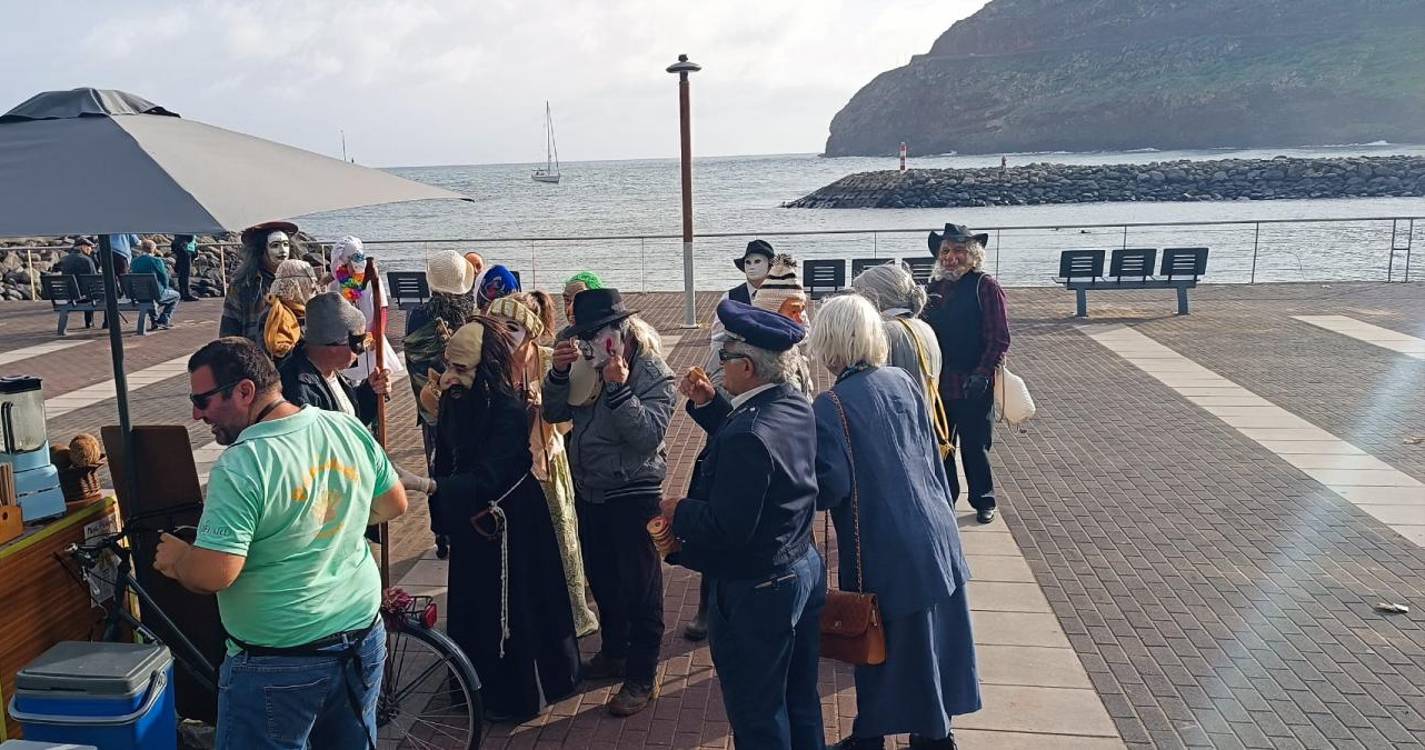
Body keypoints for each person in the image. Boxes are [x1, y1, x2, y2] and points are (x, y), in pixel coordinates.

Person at [156, 337, 408, 748]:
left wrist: (179, 559)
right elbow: (393, 503)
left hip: (280, 661)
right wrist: (325, 527)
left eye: (203, 401)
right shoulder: (341, 425)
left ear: (244, 391)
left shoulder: (244, 462)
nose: (197, 414)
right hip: (360, 638)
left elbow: (214, 574)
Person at [805, 294, 980, 750]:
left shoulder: (832, 405)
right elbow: (932, 450)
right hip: (936, 529)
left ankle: (911, 738)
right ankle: (923, 733)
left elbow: (832, 488)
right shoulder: (902, 380)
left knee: (888, 649)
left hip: (885, 542)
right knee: (934, 645)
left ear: (831, 343)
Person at [664, 299, 826, 749]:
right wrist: (711, 406)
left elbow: (727, 526)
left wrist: (678, 510)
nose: (719, 366)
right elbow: (761, 450)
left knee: (758, 712)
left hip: (758, 587)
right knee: (800, 698)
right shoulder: (793, 403)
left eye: (725, 358)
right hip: (802, 566)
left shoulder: (747, 435)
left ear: (748, 368)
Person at [407, 318, 581, 723]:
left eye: (461, 369)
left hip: (511, 521)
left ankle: (518, 693)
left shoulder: (507, 410)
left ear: (484, 368)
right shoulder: (454, 400)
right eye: (448, 366)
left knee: (516, 607)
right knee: (473, 605)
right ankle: (474, 686)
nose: (449, 377)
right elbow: (450, 456)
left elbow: (490, 475)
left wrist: (427, 485)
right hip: (472, 519)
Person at [542, 288, 675, 717]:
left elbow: (647, 436)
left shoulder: (651, 370)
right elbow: (553, 414)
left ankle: (641, 676)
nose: (589, 343)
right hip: (591, 487)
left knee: (641, 586)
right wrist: (558, 375)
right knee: (602, 579)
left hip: (635, 489)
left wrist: (618, 389)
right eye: (583, 335)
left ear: (621, 330)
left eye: (597, 334)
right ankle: (615, 652)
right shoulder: (582, 361)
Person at [487, 294, 598, 638]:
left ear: (530, 331)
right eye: (497, 326)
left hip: (547, 462)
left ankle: (572, 613)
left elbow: (576, 405)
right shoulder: (488, 362)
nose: (504, 334)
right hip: (505, 470)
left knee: (562, 538)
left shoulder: (550, 360)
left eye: (513, 327)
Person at [922, 223, 1010, 525]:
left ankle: (983, 499)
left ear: (973, 255)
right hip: (938, 382)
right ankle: (946, 499)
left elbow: (999, 337)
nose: (950, 257)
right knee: (941, 445)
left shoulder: (985, 286)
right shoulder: (932, 288)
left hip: (974, 381)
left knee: (975, 445)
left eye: (958, 250)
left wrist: (983, 374)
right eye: (945, 251)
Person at [405, 250, 478, 560]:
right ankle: (470, 521)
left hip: (431, 406)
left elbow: (414, 363)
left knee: (438, 468)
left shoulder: (415, 317)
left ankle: (442, 535)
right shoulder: (472, 316)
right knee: (469, 462)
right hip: (469, 408)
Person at [278, 292, 390, 432]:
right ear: (332, 345)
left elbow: (351, 418)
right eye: (357, 344)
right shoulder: (297, 388)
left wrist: (371, 391)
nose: (361, 351)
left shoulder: (328, 370)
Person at [851, 260, 941, 391]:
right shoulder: (925, 327)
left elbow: (874, 386)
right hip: (926, 409)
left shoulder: (883, 332)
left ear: (873, 298)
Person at [328, 236, 403, 384]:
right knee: (350, 376)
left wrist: (376, 335)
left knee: (374, 375)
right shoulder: (336, 285)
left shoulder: (372, 281)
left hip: (371, 335)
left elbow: (382, 309)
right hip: (348, 340)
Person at [706, 240, 775, 387]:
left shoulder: (784, 296)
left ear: (770, 265)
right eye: (748, 262)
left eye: (757, 261)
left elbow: (804, 333)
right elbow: (716, 338)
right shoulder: (729, 298)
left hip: (776, 368)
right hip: (739, 367)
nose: (752, 266)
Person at [221, 221, 298, 344]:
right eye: (275, 245)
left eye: (285, 244)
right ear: (261, 249)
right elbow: (229, 329)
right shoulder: (243, 284)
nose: (282, 250)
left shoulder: (300, 281)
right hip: (257, 354)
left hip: (295, 355)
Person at [750, 253, 814, 398]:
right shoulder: (742, 356)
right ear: (771, 314)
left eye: (802, 312)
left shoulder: (794, 348)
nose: (800, 320)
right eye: (793, 311)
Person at [259, 260, 320, 364]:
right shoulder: (276, 315)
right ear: (296, 286)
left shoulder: (303, 311)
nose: (315, 289)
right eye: (309, 285)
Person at [130, 239, 181, 330]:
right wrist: (166, 287)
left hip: (139, 294)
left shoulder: (134, 262)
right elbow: (164, 277)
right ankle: (163, 321)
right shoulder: (156, 261)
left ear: (142, 248)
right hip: (156, 293)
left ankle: (154, 321)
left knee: (148, 296)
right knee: (176, 296)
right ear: (153, 249)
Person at [55, 237, 98, 329]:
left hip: (70, 295)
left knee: (86, 289)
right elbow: (94, 279)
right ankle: (105, 324)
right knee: (105, 295)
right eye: (89, 247)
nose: (91, 249)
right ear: (82, 247)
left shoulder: (66, 260)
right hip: (85, 296)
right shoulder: (87, 260)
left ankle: (89, 322)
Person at [172, 233, 199, 301]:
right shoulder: (186, 231)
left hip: (184, 249)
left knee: (182, 274)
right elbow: (190, 238)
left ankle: (182, 293)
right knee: (185, 274)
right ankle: (186, 294)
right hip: (186, 250)